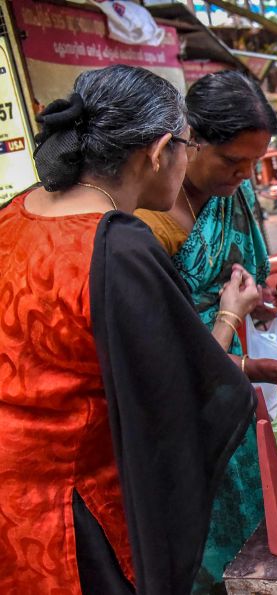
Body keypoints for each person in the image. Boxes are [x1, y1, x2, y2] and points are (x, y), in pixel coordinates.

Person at [0, 65, 257, 594]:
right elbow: (180, 394)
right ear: (160, 149)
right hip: (76, 513)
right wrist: (231, 332)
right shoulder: (117, 247)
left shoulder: (12, 213)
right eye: (186, 146)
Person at [136, 71, 277, 593]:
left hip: (228, 379)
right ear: (189, 138)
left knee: (256, 515)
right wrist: (232, 320)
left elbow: (244, 268)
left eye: (253, 165)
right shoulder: (146, 216)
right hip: (180, 392)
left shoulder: (227, 196)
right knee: (203, 528)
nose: (242, 176)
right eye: (231, 162)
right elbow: (161, 348)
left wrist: (257, 297)